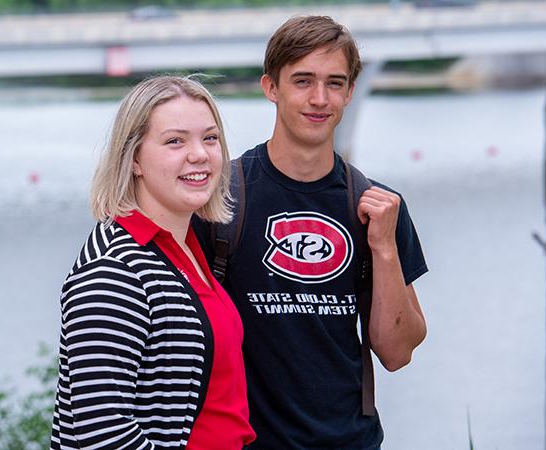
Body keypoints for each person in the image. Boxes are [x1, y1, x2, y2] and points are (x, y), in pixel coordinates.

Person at [193, 16, 428, 449]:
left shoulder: (377, 205)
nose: (320, 99)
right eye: (303, 81)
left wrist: (384, 250)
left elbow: (398, 353)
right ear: (271, 87)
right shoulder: (219, 199)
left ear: (350, 93)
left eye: (334, 83)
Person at [51, 76, 256, 450]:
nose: (199, 154)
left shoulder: (187, 247)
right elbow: (102, 433)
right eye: (175, 141)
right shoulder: (114, 271)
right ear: (134, 160)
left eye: (210, 138)